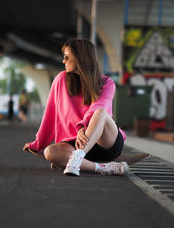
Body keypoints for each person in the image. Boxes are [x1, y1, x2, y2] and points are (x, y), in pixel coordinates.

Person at [23, 39, 143, 177]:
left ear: (80, 58)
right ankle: (102, 167)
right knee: (49, 152)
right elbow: (50, 116)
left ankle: (76, 158)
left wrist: (81, 128)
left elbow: (99, 106)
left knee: (100, 112)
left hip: (105, 142)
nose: (63, 61)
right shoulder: (60, 80)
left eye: (67, 57)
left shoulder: (106, 83)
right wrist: (37, 144)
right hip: (76, 142)